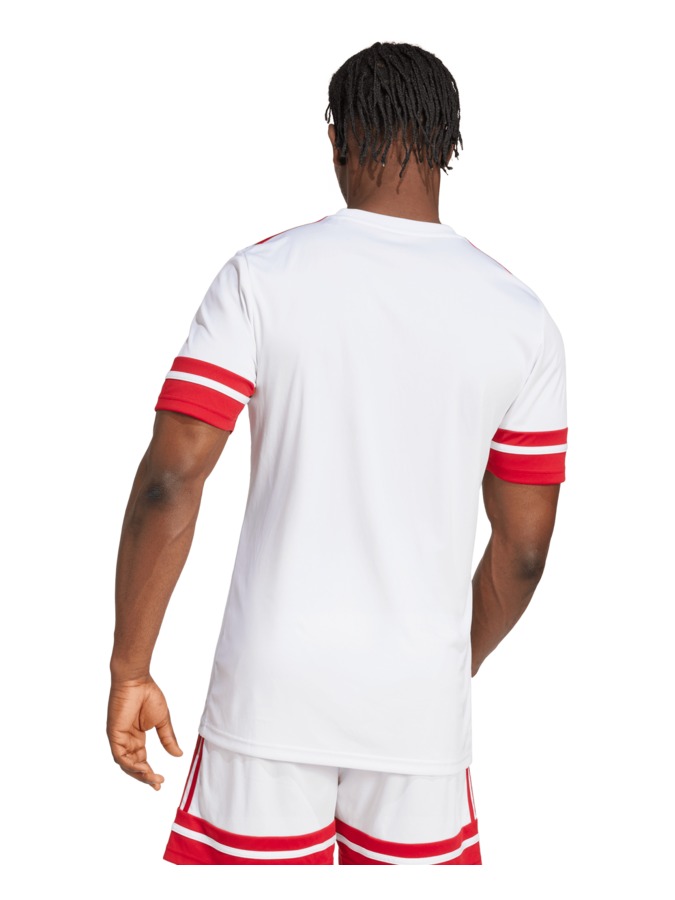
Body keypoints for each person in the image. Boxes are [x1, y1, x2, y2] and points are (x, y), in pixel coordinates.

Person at [107, 40, 567, 866]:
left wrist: (130, 668)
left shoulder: (261, 277)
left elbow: (170, 478)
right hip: (419, 713)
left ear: (335, 138)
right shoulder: (520, 316)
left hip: (269, 695)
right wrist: (429, 672)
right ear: (450, 145)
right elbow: (524, 552)